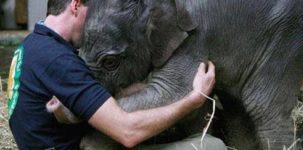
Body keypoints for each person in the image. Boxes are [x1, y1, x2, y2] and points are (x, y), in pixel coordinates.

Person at [7, 0, 224, 149]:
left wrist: (132, 90)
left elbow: (88, 95)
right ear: (75, 5)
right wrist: (193, 99)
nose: (96, 22)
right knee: (212, 146)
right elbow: (128, 132)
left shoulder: (34, 45)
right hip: (77, 146)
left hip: (44, 142)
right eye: (93, 12)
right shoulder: (59, 60)